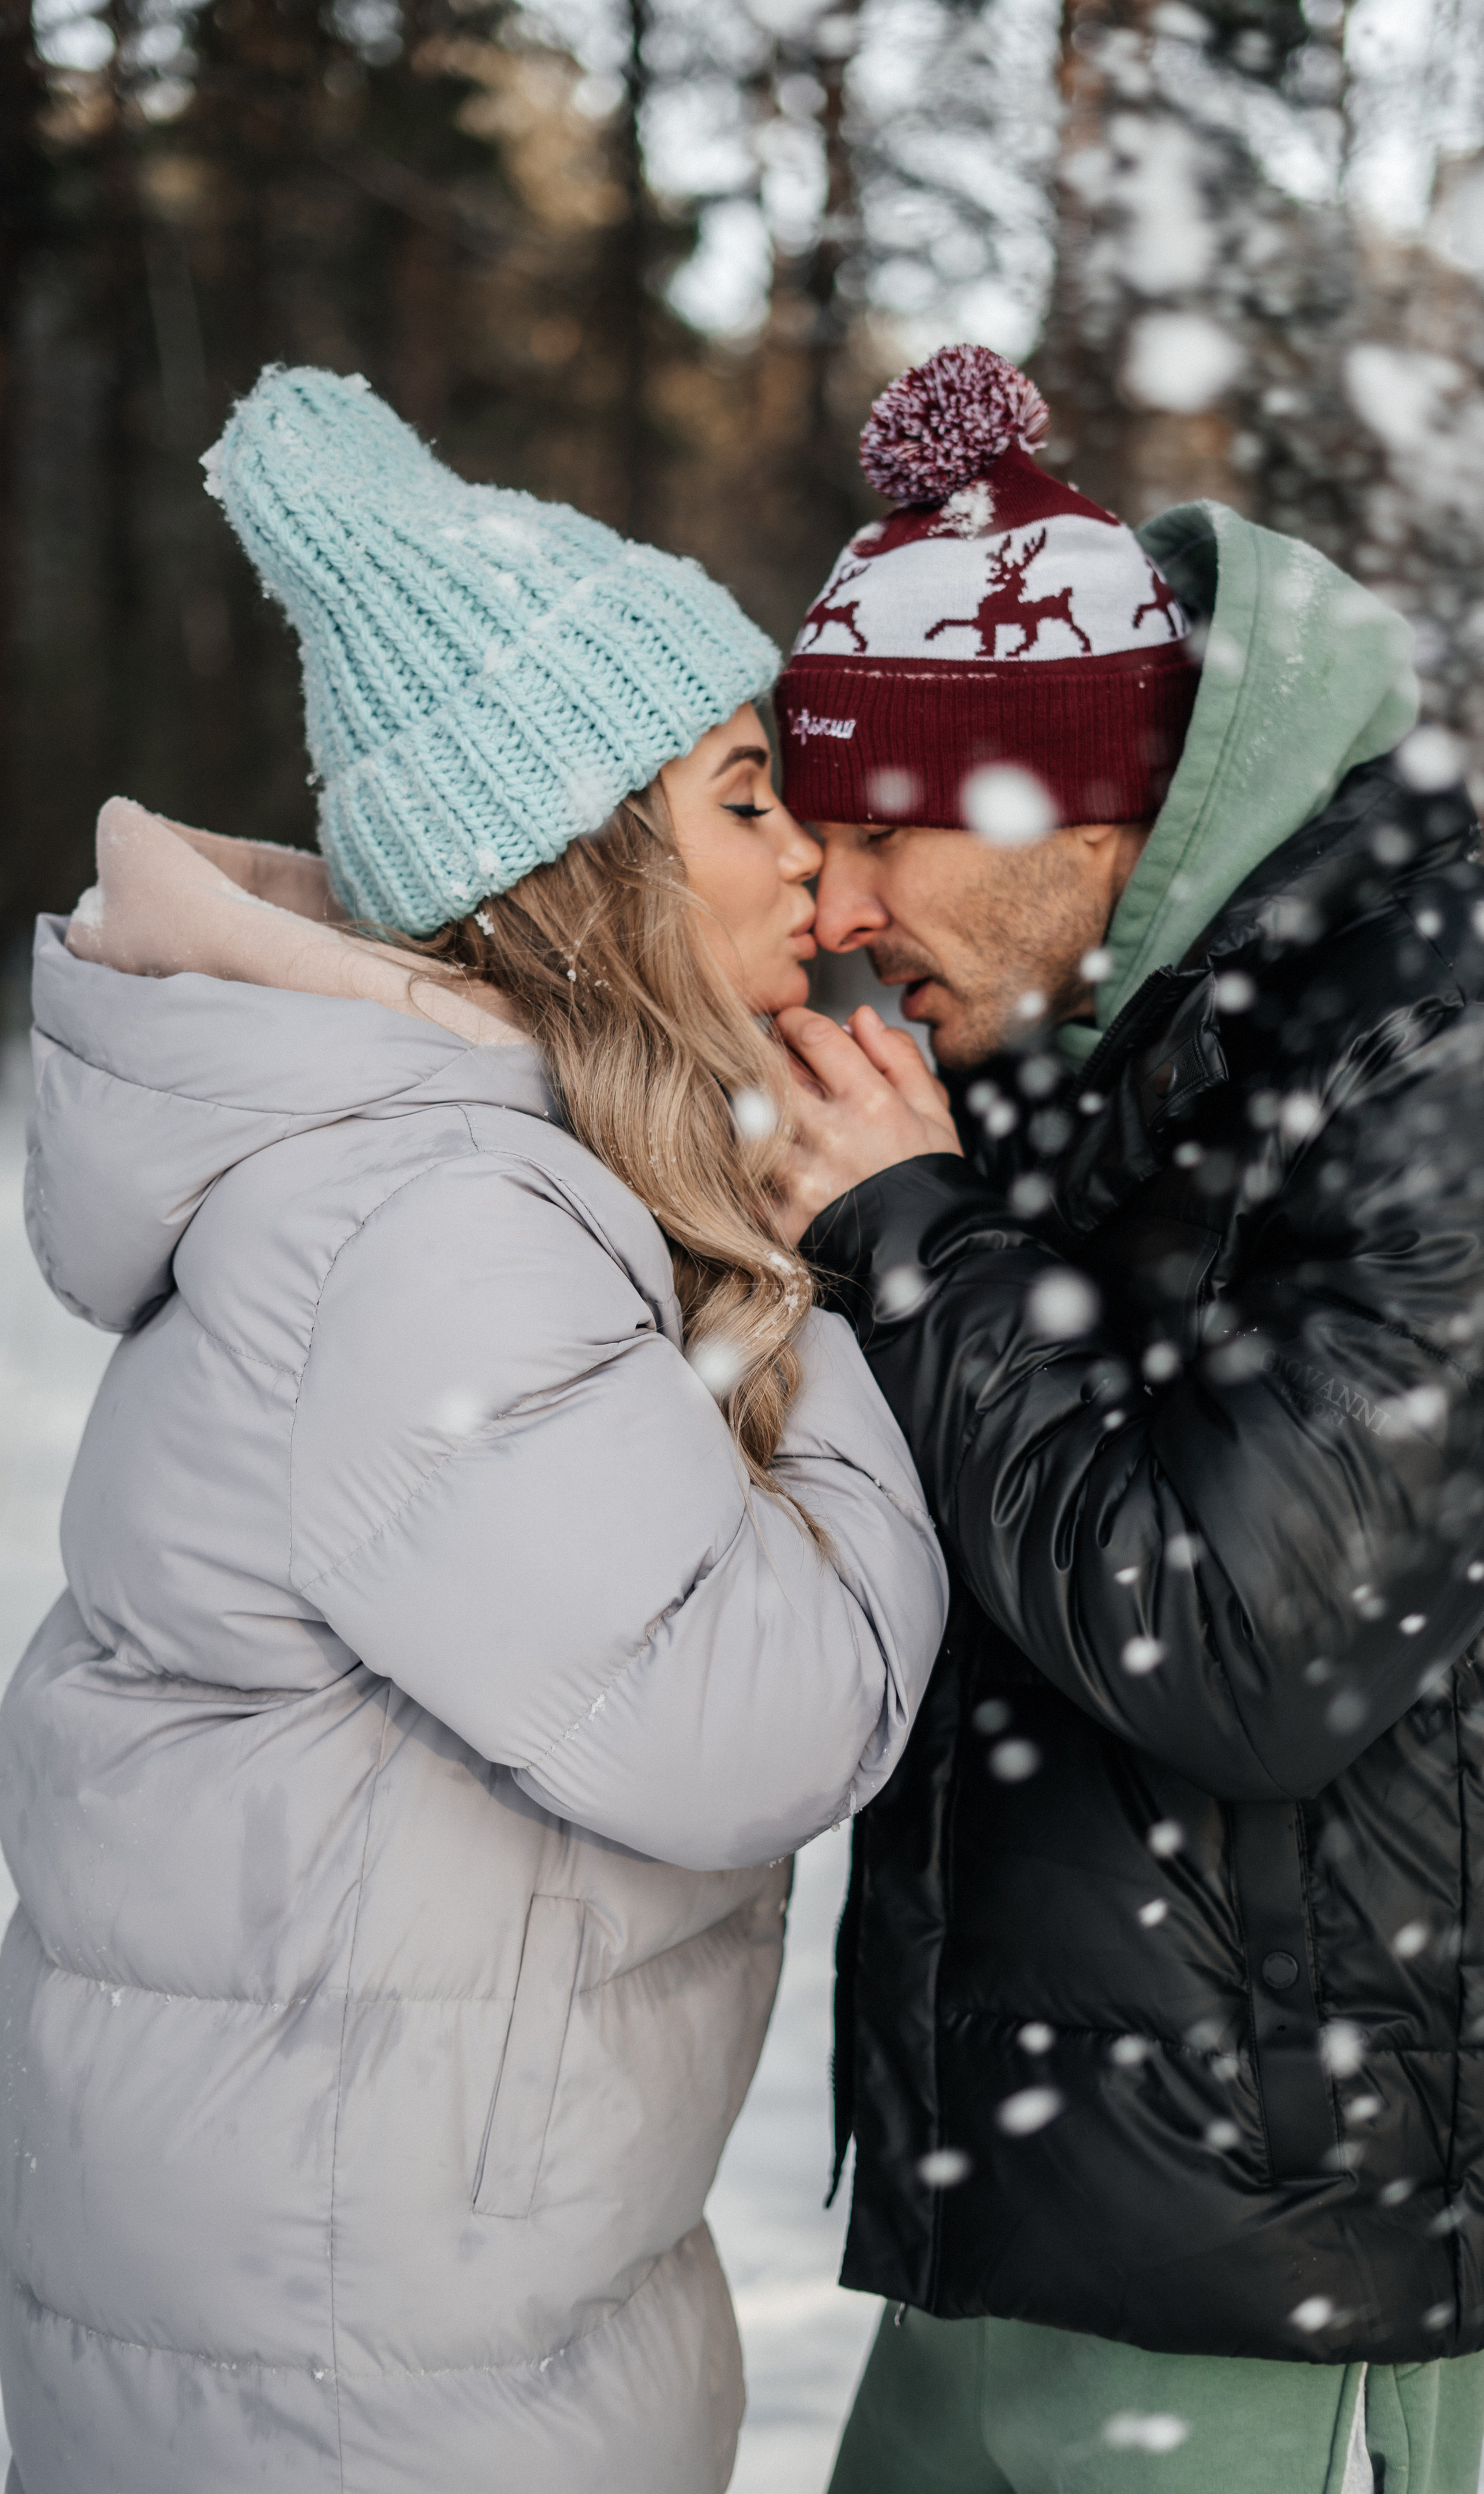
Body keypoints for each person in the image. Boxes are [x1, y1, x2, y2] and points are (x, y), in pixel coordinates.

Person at [0, 367, 948, 2494]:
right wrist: (855, 1274)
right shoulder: (438, 1225)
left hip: (352, 2301)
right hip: (364, 2372)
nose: (810, 860)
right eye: (744, 801)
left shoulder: (436, 1181)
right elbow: (762, 1710)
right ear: (579, 870)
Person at [768, 344, 1484, 2493]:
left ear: (1069, 810)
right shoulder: (1091, 1032)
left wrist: (913, 1240)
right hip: (1036, 2182)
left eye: (881, 833)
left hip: (1292, 2234)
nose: (843, 911)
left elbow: (1244, 1646)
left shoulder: (1449, 1038)